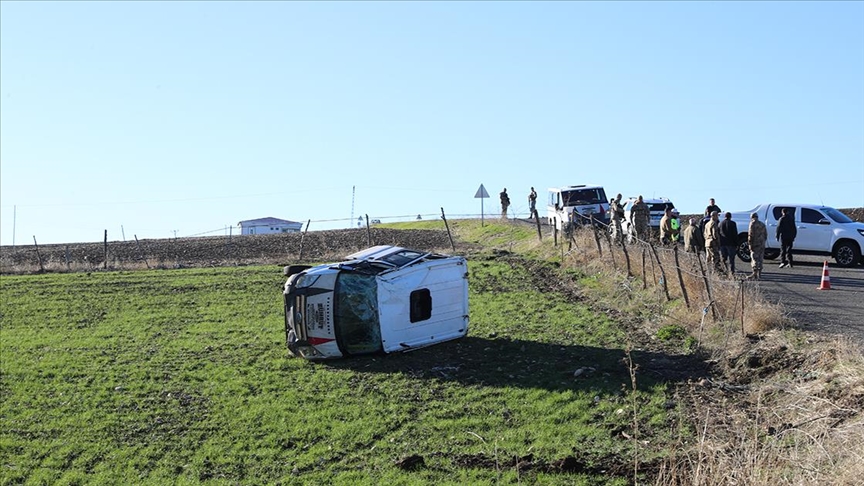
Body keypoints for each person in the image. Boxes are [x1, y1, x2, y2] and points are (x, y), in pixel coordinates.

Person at [748, 212, 768, 279]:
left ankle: (754, 273)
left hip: (755, 244)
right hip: (762, 244)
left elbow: (750, 235)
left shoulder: (752, 224)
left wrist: (750, 244)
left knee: (754, 258)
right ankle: (759, 274)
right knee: (760, 258)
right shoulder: (762, 224)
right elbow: (765, 234)